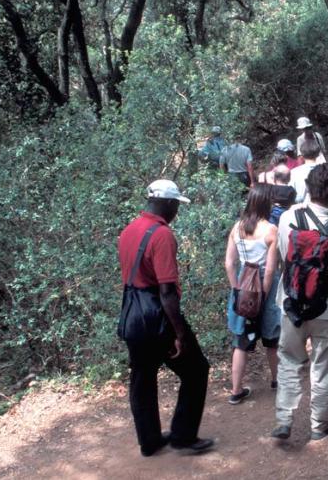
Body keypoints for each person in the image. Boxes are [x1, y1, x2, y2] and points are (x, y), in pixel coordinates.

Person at [117, 179, 213, 456]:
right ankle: (183, 436)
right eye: (176, 206)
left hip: (132, 316)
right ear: (168, 204)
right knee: (196, 370)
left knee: (142, 378)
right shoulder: (161, 235)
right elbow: (167, 291)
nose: (177, 212)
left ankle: (149, 441)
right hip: (157, 317)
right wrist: (179, 333)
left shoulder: (128, 230)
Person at [271, 163, 328, 441]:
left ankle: (284, 419)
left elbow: (285, 255)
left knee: (289, 360)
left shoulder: (286, 218)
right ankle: (320, 423)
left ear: (307, 186)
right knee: (324, 365)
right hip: (327, 307)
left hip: (291, 302)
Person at [225, 185, 281, 404]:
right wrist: (263, 295)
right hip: (265, 286)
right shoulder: (270, 230)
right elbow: (269, 269)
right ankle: (277, 381)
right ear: (267, 203)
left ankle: (236, 390)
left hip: (242, 284)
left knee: (240, 340)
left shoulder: (237, 228)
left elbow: (229, 263)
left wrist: (237, 291)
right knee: (272, 337)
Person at [289, 138, 322, 203]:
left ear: (302, 155)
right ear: (318, 154)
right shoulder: (326, 170)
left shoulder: (294, 172)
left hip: (301, 208)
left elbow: (291, 194)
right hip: (325, 207)